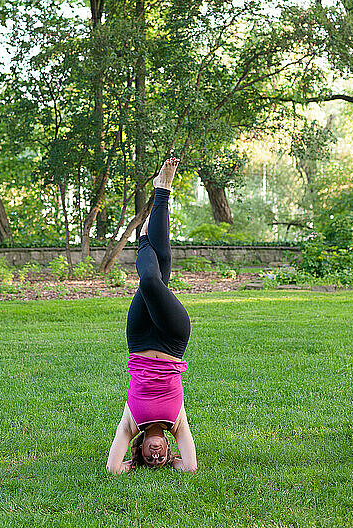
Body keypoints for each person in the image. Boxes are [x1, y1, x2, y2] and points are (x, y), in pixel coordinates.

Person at [106, 158, 197, 474]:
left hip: (140, 337)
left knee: (157, 273)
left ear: (140, 448)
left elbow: (113, 469)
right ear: (169, 449)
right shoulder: (178, 423)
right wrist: (174, 463)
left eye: (149, 457)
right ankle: (158, 202)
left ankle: (162, 194)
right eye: (160, 458)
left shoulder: (131, 423)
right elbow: (191, 468)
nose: (155, 456)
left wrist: (131, 467)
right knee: (154, 277)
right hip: (172, 342)